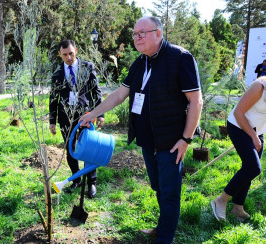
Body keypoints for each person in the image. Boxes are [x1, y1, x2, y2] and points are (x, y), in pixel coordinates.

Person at [79, 17, 202, 243]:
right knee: (158, 186)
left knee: (170, 193)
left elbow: (196, 101)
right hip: (148, 139)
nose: (137, 38)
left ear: (158, 33)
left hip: (172, 140)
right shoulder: (140, 63)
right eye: (135, 34)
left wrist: (186, 139)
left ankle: (164, 239)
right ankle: (162, 226)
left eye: (142, 33)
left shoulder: (180, 58)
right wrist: (91, 115)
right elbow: (119, 95)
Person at [49, 39, 104, 198]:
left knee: (89, 147)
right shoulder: (57, 72)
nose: (68, 58)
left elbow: (96, 92)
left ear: (76, 51)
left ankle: (91, 183)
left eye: (71, 53)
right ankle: (76, 179)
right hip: (65, 117)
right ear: (60, 54)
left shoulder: (88, 67)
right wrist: (52, 120)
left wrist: (100, 114)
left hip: (86, 116)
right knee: (70, 148)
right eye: (65, 54)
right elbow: (53, 98)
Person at [211, 76, 266, 223]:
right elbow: (238, 113)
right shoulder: (259, 86)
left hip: (258, 131)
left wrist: (257, 135)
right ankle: (221, 200)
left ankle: (237, 208)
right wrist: (254, 137)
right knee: (253, 168)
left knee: (248, 169)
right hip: (239, 126)